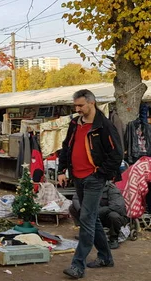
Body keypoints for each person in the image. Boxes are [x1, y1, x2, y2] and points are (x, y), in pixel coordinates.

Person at [58, 89, 123, 279]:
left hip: (94, 179)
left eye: (80, 105)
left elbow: (117, 154)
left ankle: (77, 265)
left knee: (86, 218)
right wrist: (62, 170)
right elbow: (66, 146)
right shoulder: (74, 123)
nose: (77, 109)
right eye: (75, 106)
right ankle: (105, 257)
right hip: (77, 177)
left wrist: (100, 173)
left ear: (91, 103)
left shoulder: (104, 126)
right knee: (91, 219)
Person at [69, 181, 128, 249]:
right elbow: (76, 198)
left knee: (113, 215)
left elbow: (117, 206)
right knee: (73, 207)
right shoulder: (87, 185)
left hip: (107, 217)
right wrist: (82, 210)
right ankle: (85, 232)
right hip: (93, 216)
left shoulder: (112, 189)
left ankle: (114, 239)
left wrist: (96, 212)